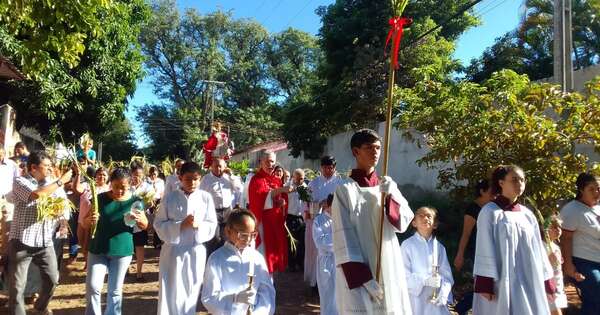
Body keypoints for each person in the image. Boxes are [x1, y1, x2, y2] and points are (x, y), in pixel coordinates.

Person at [331, 129, 414, 314]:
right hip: (362, 274)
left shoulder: (388, 185)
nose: (375, 152)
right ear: (355, 151)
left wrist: (390, 195)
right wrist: (363, 278)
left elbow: (403, 223)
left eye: (378, 147)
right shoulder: (344, 191)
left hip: (388, 263)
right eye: (369, 147)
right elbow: (344, 237)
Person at [473, 165, 556, 315]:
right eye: (514, 180)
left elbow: (538, 249)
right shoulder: (490, 212)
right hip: (501, 278)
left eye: (522, 180)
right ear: (501, 183)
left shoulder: (527, 215)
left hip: (529, 277)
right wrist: (485, 282)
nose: (520, 184)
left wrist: (547, 280)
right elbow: (484, 246)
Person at [7, 150, 73, 315]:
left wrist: (63, 220)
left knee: (53, 279)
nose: (50, 169)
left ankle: (40, 307)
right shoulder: (20, 181)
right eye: (47, 166)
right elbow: (36, 195)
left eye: (51, 166)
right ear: (34, 167)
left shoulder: (52, 183)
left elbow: (64, 206)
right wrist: (60, 182)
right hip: (21, 242)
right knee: (17, 287)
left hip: (44, 241)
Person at [154, 161, 217, 315]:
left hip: (195, 250)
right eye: (188, 179)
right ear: (180, 177)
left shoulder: (206, 198)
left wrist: (198, 226)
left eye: (195, 179)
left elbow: (212, 223)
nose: (192, 183)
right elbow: (158, 224)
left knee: (192, 289)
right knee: (171, 289)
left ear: (200, 178)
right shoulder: (170, 198)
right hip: (173, 251)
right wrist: (180, 226)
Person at [82, 167, 148, 315]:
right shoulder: (99, 199)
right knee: (93, 287)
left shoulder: (136, 201)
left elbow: (145, 226)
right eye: (116, 186)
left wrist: (139, 219)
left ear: (130, 184)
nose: (119, 190)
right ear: (110, 183)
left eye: (123, 187)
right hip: (98, 249)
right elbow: (85, 223)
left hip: (122, 251)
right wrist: (90, 220)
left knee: (115, 290)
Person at [201, 210, 275, 315]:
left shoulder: (257, 258)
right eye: (243, 235)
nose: (248, 239)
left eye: (252, 234)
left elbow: (267, 292)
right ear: (228, 231)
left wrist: (259, 312)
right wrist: (235, 298)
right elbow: (209, 298)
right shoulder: (216, 259)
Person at [560, 172, 600, 315]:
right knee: (597, 292)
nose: (597, 192)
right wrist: (569, 266)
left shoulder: (597, 208)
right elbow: (565, 239)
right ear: (581, 190)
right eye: (591, 189)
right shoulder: (572, 210)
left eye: (599, 188)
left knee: (593, 303)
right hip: (584, 262)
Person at [401, 206, 453, 315]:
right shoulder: (407, 245)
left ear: (435, 224)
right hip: (415, 300)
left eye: (429, 216)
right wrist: (424, 280)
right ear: (414, 223)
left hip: (435, 301)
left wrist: (443, 292)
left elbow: (447, 276)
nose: (425, 218)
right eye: (421, 216)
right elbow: (402, 274)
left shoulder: (439, 248)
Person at [453, 179, 493, 315]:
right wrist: (460, 254)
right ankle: (460, 309)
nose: (494, 195)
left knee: (482, 287)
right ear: (482, 191)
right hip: (474, 253)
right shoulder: (473, 209)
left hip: (486, 253)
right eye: (491, 191)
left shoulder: (490, 209)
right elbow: (466, 234)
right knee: (479, 287)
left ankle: (462, 309)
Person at [248, 151, 291, 274]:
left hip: (275, 223)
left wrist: (281, 202)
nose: (270, 164)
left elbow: (277, 200)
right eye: (267, 161)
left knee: (273, 256)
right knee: (262, 261)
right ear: (261, 162)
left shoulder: (277, 180)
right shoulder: (256, 180)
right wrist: (279, 191)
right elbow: (258, 200)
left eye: (272, 161)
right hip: (262, 224)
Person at [306, 156, 342, 288]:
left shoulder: (340, 183)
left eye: (331, 167)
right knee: (315, 251)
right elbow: (306, 203)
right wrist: (315, 206)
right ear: (321, 168)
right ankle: (314, 281)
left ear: (334, 168)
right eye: (325, 167)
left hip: (335, 221)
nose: (328, 170)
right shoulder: (313, 183)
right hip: (317, 221)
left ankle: (335, 282)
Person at [199, 158, 235, 255]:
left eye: (221, 166)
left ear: (225, 167)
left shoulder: (228, 178)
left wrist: (231, 176)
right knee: (214, 237)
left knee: (226, 237)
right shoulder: (206, 179)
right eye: (216, 166)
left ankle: (223, 259)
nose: (218, 168)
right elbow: (200, 196)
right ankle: (211, 258)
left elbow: (238, 189)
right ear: (211, 167)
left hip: (227, 211)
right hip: (213, 211)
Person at [78, 167, 110, 270]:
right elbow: (76, 189)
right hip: (83, 218)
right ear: (95, 176)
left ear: (108, 177)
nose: (101, 177)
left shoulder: (109, 189)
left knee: (90, 242)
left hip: (97, 220)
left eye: (104, 175)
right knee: (82, 240)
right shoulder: (88, 185)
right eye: (99, 174)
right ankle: (87, 259)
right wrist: (78, 174)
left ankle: (90, 262)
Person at [129, 163, 154, 282]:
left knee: (139, 246)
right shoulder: (127, 185)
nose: (136, 178)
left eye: (139, 175)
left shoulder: (147, 187)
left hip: (141, 220)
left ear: (143, 175)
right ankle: (126, 268)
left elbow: (151, 203)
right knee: (128, 246)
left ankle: (139, 272)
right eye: (134, 175)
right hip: (127, 220)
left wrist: (143, 204)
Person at [312, 194, 336, 315]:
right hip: (326, 262)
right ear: (329, 205)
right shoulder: (319, 220)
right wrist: (340, 240)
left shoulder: (342, 219)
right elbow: (321, 242)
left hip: (341, 262)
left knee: (340, 296)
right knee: (327, 295)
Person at [545, 215, 567, 315]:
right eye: (554, 227)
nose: (558, 230)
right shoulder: (542, 245)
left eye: (559, 227)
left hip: (558, 286)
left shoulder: (556, 247)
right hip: (548, 288)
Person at [286, 169, 307, 272]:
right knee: (291, 242)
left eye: (301, 179)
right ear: (293, 177)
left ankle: (300, 263)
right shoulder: (287, 186)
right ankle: (291, 264)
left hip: (301, 218)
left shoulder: (305, 187)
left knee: (302, 242)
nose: (299, 181)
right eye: (297, 178)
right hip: (290, 217)